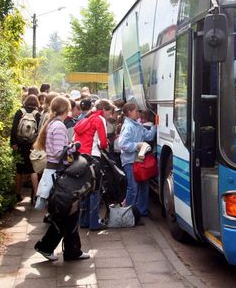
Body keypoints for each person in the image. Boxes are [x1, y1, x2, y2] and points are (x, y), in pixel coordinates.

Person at [33, 96, 90, 262]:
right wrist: (73, 147)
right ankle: (49, 247)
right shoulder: (58, 126)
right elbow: (60, 153)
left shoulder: (53, 124)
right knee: (68, 213)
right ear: (67, 109)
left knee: (70, 213)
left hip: (55, 173)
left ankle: (71, 250)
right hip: (59, 174)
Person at [74, 99, 115, 230]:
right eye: (110, 112)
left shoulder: (86, 118)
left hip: (81, 158)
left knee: (85, 190)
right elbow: (103, 142)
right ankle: (94, 222)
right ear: (104, 110)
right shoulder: (99, 119)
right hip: (93, 157)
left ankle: (84, 221)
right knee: (95, 190)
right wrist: (106, 144)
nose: (111, 115)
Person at [118, 102, 156, 217]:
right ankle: (128, 215)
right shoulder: (129, 126)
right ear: (129, 112)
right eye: (136, 111)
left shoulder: (137, 125)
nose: (139, 113)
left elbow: (149, 136)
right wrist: (137, 146)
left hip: (138, 160)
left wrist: (156, 125)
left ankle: (140, 212)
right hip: (130, 161)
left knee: (143, 185)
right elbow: (123, 144)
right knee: (133, 188)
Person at [10, 94, 41, 203]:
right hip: (31, 146)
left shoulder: (19, 112)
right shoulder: (37, 115)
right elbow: (39, 132)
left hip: (19, 145)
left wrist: (13, 143)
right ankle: (36, 196)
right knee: (33, 170)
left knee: (19, 171)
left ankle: (18, 194)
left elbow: (14, 129)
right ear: (36, 103)